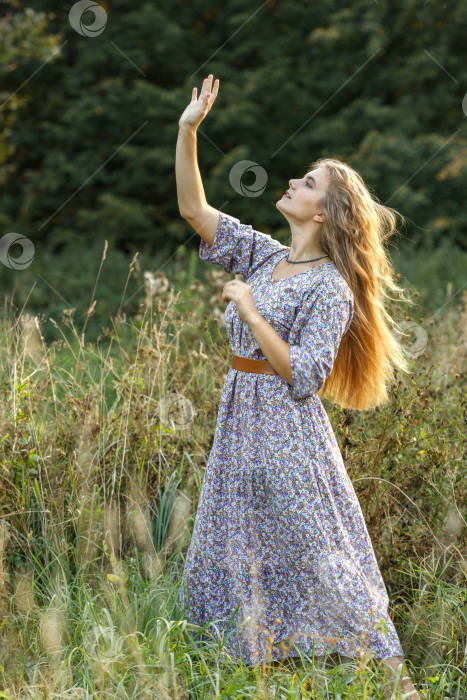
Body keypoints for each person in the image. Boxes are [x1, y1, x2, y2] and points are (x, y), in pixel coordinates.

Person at [175, 74, 421, 699]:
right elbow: (193, 210)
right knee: (231, 542)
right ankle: (244, 676)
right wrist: (187, 130)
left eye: (307, 183)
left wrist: (253, 314)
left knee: (323, 551)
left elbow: (308, 374)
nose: (291, 182)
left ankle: (400, 684)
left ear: (323, 212)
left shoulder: (330, 286)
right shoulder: (263, 255)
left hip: (288, 431)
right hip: (240, 421)